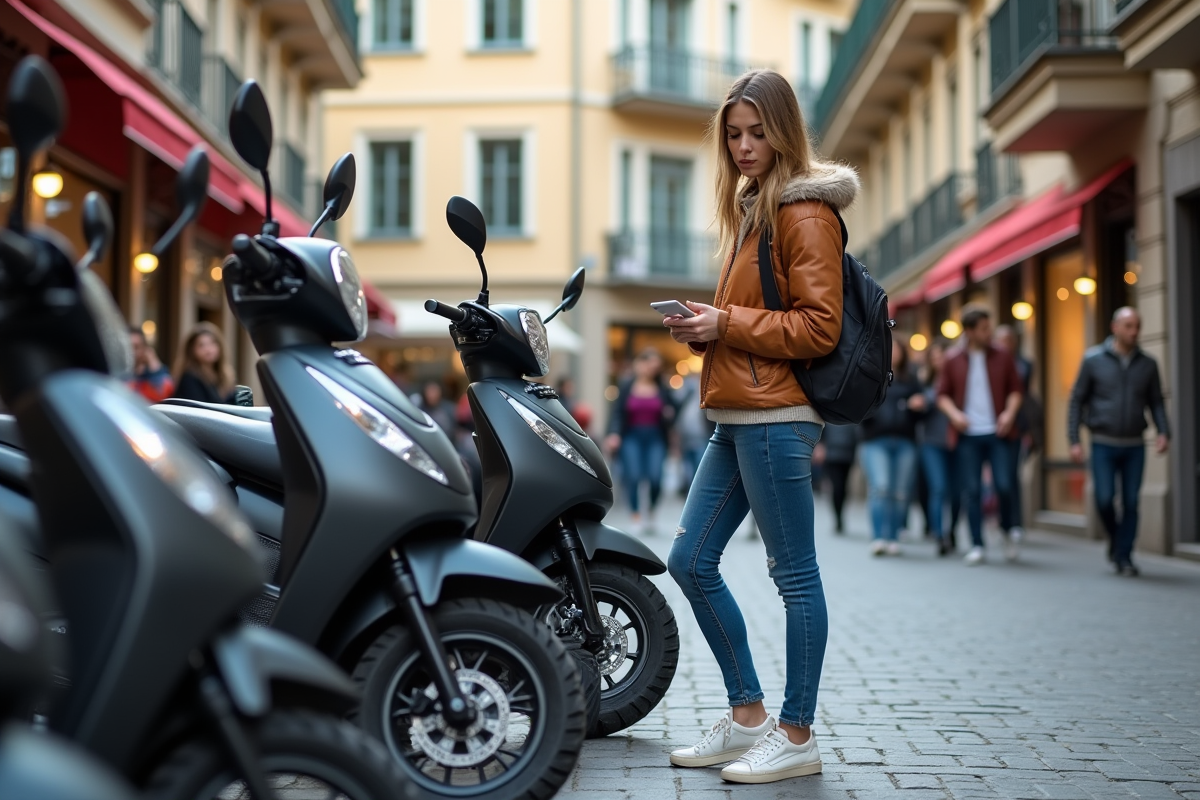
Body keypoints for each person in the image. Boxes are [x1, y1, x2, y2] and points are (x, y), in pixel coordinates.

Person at [661, 69, 853, 784]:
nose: (744, 146)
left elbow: (820, 327)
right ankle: (749, 717)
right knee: (689, 560)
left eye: (757, 132)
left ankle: (797, 732)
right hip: (736, 412)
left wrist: (727, 322)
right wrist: (710, 332)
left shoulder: (804, 213)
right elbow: (767, 319)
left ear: (783, 130)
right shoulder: (753, 209)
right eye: (734, 134)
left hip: (776, 419)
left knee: (794, 577)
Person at [1067, 307, 1169, 576]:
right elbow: (1077, 400)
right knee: (1104, 499)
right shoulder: (1093, 360)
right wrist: (1074, 439)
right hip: (1103, 442)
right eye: (1128, 326)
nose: (1133, 331)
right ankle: (1116, 539)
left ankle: (1124, 556)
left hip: (1135, 443)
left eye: (1137, 326)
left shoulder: (1148, 364)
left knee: (1131, 502)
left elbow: (1156, 402)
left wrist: (1163, 431)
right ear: (1115, 327)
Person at [936, 305, 1023, 566]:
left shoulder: (1003, 355)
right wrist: (955, 416)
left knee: (1005, 486)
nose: (990, 333)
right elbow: (941, 395)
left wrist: (1009, 413)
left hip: (998, 431)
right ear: (970, 331)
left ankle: (1007, 531)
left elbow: (1016, 390)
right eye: (984, 328)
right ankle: (977, 544)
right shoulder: (952, 359)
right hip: (968, 434)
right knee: (971, 490)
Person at [858, 340, 926, 556]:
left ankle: (894, 537)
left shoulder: (912, 380)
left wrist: (919, 405)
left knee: (900, 493)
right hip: (875, 441)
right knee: (881, 487)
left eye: (899, 349)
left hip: (905, 441)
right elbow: (856, 408)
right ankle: (879, 537)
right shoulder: (870, 375)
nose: (894, 352)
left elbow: (923, 412)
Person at [604, 348, 676, 533]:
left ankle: (650, 511)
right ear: (640, 363)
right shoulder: (627, 385)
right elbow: (617, 412)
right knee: (633, 475)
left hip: (655, 437)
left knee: (655, 477)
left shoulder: (662, 387)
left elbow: (674, 409)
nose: (652, 369)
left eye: (656, 366)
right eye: (649, 364)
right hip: (631, 436)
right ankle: (636, 515)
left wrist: (669, 414)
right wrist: (613, 433)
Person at [917, 338, 958, 555]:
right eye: (934, 358)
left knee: (957, 492)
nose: (938, 361)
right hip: (931, 443)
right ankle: (939, 535)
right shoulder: (923, 381)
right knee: (939, 488)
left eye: (941, 356)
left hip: (957, 441)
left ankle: (952, 531)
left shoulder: (960, 380)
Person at [993, 325, 1033, 541]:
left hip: (1015, 427)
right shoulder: (987, 362)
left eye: (1008, 340)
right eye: (1000, 340)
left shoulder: (1023, 365)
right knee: (998, 480)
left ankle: (1014, 522)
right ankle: (1001, 520)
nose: (1004, 345)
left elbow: (1022, 395)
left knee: (1010, 477)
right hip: (989, 428)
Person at [673, 371, 715, 495]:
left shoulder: (709, 397)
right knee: (687, 468)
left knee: (698, 469)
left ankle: (696, 494)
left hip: (702, 438)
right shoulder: (686, 396)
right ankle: (690, 492)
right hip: (685, 440)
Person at [172, 322, 236, 404]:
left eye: (212, 343)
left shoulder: (226, 376)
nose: (208, 349)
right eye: (201, 345)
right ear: (192, 350)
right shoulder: (189, 378)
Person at [815, 423, 858, 534]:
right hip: (832, 453)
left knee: (843, 487)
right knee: (837, 487)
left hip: (848, 453)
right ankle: (838, 517)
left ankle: (841, 514)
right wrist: (820, 446)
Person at [128, 326, 174, 402]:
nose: (131, 352)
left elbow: (165, 393)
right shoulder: (113, 372)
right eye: (128, 346)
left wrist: (153, 361)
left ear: (144, 349)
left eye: (136, 347)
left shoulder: (151, 375)